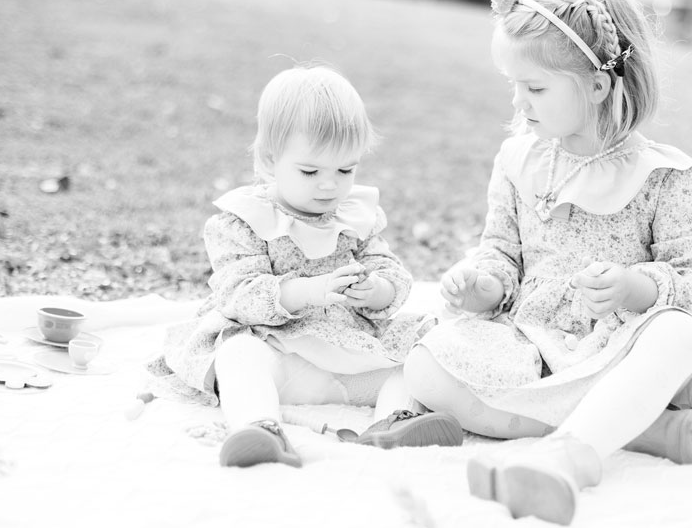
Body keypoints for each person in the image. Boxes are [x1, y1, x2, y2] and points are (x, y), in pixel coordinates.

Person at [402, 0, 692, 525]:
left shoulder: (669, 180)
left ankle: (565, 460)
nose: (519, 104)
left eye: (534, 87)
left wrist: (635, 288)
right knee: (424, 367)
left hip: (623, 352)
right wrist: (484, 285)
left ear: (599, 84)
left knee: (679, 334)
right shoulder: (519, 162)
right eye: (513, 86)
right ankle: (647, 432)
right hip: (537, 349)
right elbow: (502, 252)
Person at [148, 65, 462, 469]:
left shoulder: (355, 215)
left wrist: (378, 289)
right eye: (310, 171)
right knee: (235, 352)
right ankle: (260, 427)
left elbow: (386, 265)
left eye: (345, 170)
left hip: (346, 355)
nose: (329, 186)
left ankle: (394, 420)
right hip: (276, 352)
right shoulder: (244, 218)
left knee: (416, 356)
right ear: (269, 160)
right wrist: (309, 290)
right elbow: (238, 293)